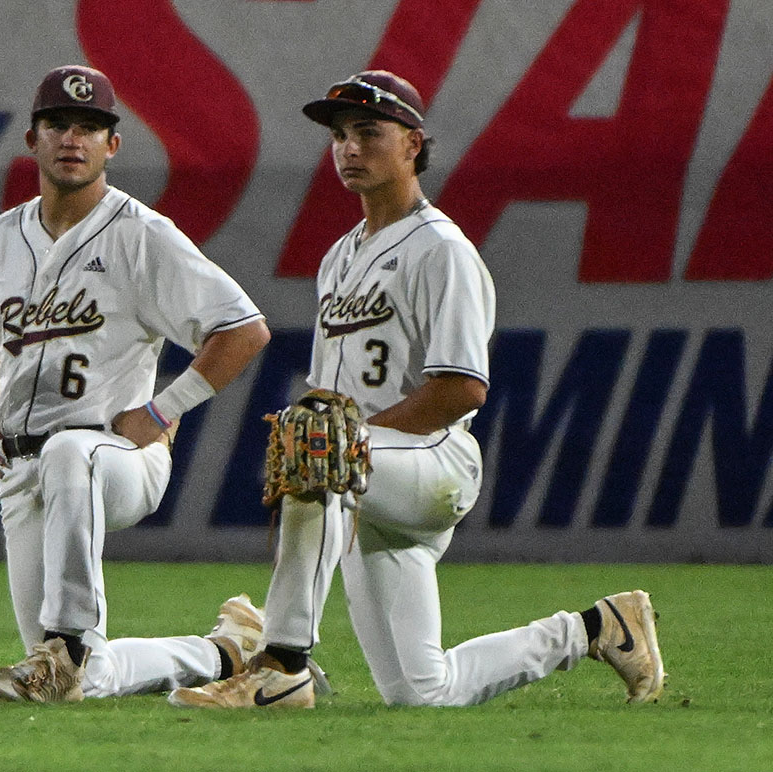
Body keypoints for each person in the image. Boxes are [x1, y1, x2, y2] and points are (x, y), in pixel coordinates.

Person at [169, 70, 664, 709]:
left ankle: (282, 666)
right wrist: (330, 462)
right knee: (423, 692)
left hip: (434, 463)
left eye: (369, 132)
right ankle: (597, 628)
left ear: (412, 144)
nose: (349, 147)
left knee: (321, 447)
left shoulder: (442, 250)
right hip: (372, 479)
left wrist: (346, 447)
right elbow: (329, 393)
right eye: (340, 135)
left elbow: (460, 388)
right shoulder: (341, 255)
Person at [0, 65, 272, 702]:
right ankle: (225, 650)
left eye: (90, 126)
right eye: (58, 125)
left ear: (112, 145)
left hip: (118, 457)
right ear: (33, 139)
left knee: (73, 451)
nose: (73, 138)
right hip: (23, 468)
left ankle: (66, 646)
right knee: (77, 683)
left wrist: (163, 410)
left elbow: (244, 329)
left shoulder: (141, 234)